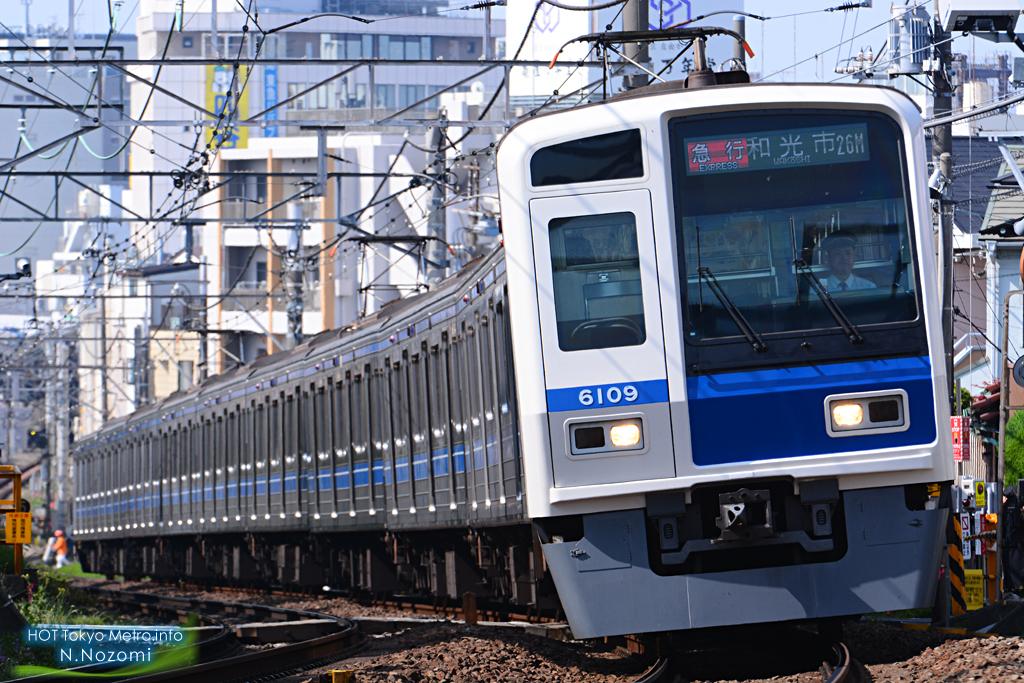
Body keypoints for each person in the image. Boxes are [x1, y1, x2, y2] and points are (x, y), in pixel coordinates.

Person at [1003, 486, 1024, 596]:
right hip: (1018, 545)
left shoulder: (1004, 507)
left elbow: (1001, 528)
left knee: (1009, 572)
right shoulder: (1020, 506)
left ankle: (1011, 590)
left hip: (1008, 545)